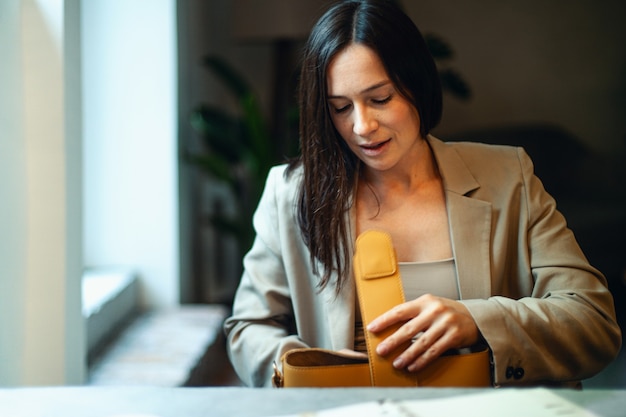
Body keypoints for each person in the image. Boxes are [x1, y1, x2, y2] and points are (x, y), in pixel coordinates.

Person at [223, 0, 621, 388]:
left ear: (417, 84)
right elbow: (247, 328)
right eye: (341, 108)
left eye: (380, 99)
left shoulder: (507, 177)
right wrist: (308, 371)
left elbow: (593, 322)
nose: (362, 126)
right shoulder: (292, 193)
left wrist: (477, 321)